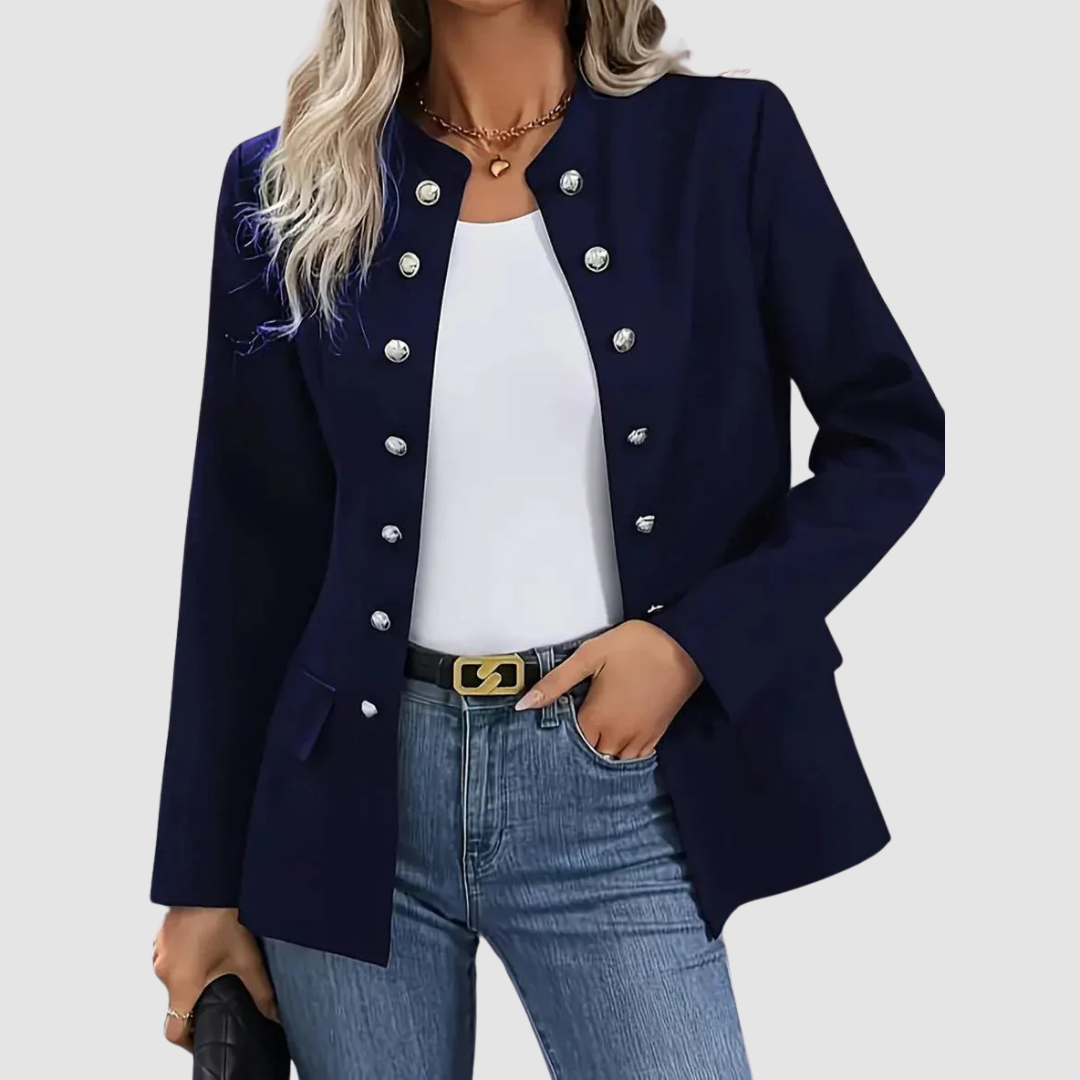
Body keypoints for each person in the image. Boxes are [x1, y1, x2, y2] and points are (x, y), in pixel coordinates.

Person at [149, 0, 945, 1076]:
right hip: (347, 805)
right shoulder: (287, 180)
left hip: (614, 789)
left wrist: (694, 643)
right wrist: (201, 886)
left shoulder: (726, 142)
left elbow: (891, 437)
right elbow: (245, 551)